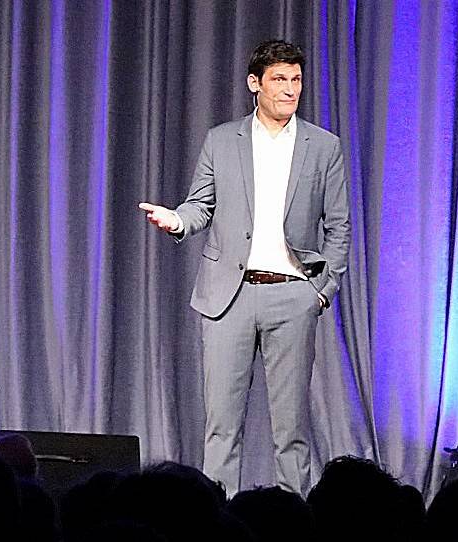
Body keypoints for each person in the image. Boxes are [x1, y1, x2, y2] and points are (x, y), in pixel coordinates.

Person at [139, 39, 351, 498]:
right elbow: (201, 205)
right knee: (221, 428)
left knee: (292, 432)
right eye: (279, 79)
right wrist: (177, 220)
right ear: (255, 84)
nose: (290, 89)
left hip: (293, 295)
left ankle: (293, 519)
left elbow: (339, 226)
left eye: (296, 80)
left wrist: (321, 291)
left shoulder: (323, 146)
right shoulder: (222, 139)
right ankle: (216, 519)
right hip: (227, 296)